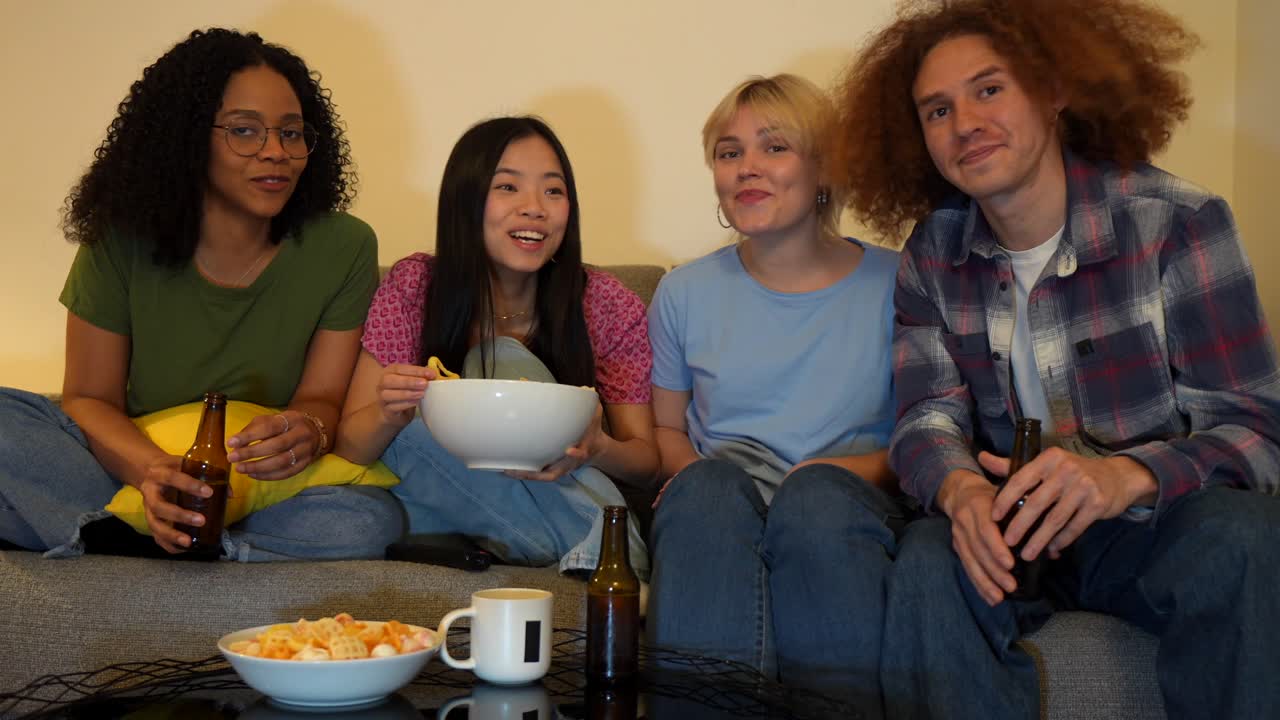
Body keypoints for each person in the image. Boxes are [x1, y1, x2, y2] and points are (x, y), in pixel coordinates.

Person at [833, 1, 1280, 717]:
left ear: (1053, 89)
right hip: (1011, 532)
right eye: (937, 111)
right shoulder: (932, 253)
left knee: (1250, 540)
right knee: (924, 557)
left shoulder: (1179, 222)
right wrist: (960, 492)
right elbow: (924, 420)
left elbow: (1258, 429)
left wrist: (1122, 476)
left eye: (989, 89)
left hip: (1150, 527)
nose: (966, 124)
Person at [0, 29, 404, 562]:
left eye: (291, 133)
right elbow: (88, 400)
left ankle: (117, 533)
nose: (276, 153)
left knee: (369, 520)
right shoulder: (119, 241)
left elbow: (323, 401)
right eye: (245, 131)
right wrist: (152, 472)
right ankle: (155, 525)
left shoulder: (344, 246)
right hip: (129, 462)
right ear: (186, 139)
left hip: (256, 488)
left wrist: (306, 430)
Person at [645, 74, 905, 712]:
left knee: (816, 501)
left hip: (845, 508)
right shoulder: (682, 292)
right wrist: (701, 481)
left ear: (824, 168)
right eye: (729, 153)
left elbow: (925, 436)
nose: (746, 168)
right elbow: (667, 432)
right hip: (724, 508)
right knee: (705, 490)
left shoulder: (901, 283)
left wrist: (826, 475)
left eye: (774, 147)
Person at [334, 116, 655, 577]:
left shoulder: (605, 303)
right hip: (442, 500)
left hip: (551, 491)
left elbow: (646, 464)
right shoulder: (414, 287)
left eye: (553, 191)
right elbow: (351, 449)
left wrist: (597, 445)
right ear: (465, 201)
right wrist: (389, 411)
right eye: (507, 188)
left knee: (512, 365)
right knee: (411, 430)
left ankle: (562, 544)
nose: (534, 208)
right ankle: (603, 551)